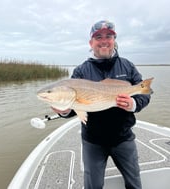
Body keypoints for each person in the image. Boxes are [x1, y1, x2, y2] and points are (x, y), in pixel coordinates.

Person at [52, 20, 151, 189]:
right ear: (91, 43)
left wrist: (133, 103)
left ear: (114, 40)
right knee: (93, 186)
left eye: (108, 36)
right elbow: (75, 108)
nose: (104, 40)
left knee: (134, 183)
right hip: (93, 142)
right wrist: (64, 110)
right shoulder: (81, 71)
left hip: (123, 138)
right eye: (98, 37)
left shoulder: (127, 66)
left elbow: (146, 91)